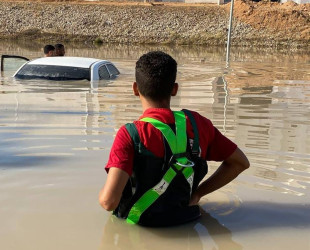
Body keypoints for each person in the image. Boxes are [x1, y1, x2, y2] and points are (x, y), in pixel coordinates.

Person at [99, 51, 249, 227]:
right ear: (175, 89)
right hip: (187, 222)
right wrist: (198, 194)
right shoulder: (199, 124)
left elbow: (108, 202)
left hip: (141, 228)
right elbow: (240, 162)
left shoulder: (130, 134)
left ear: (135, 89)